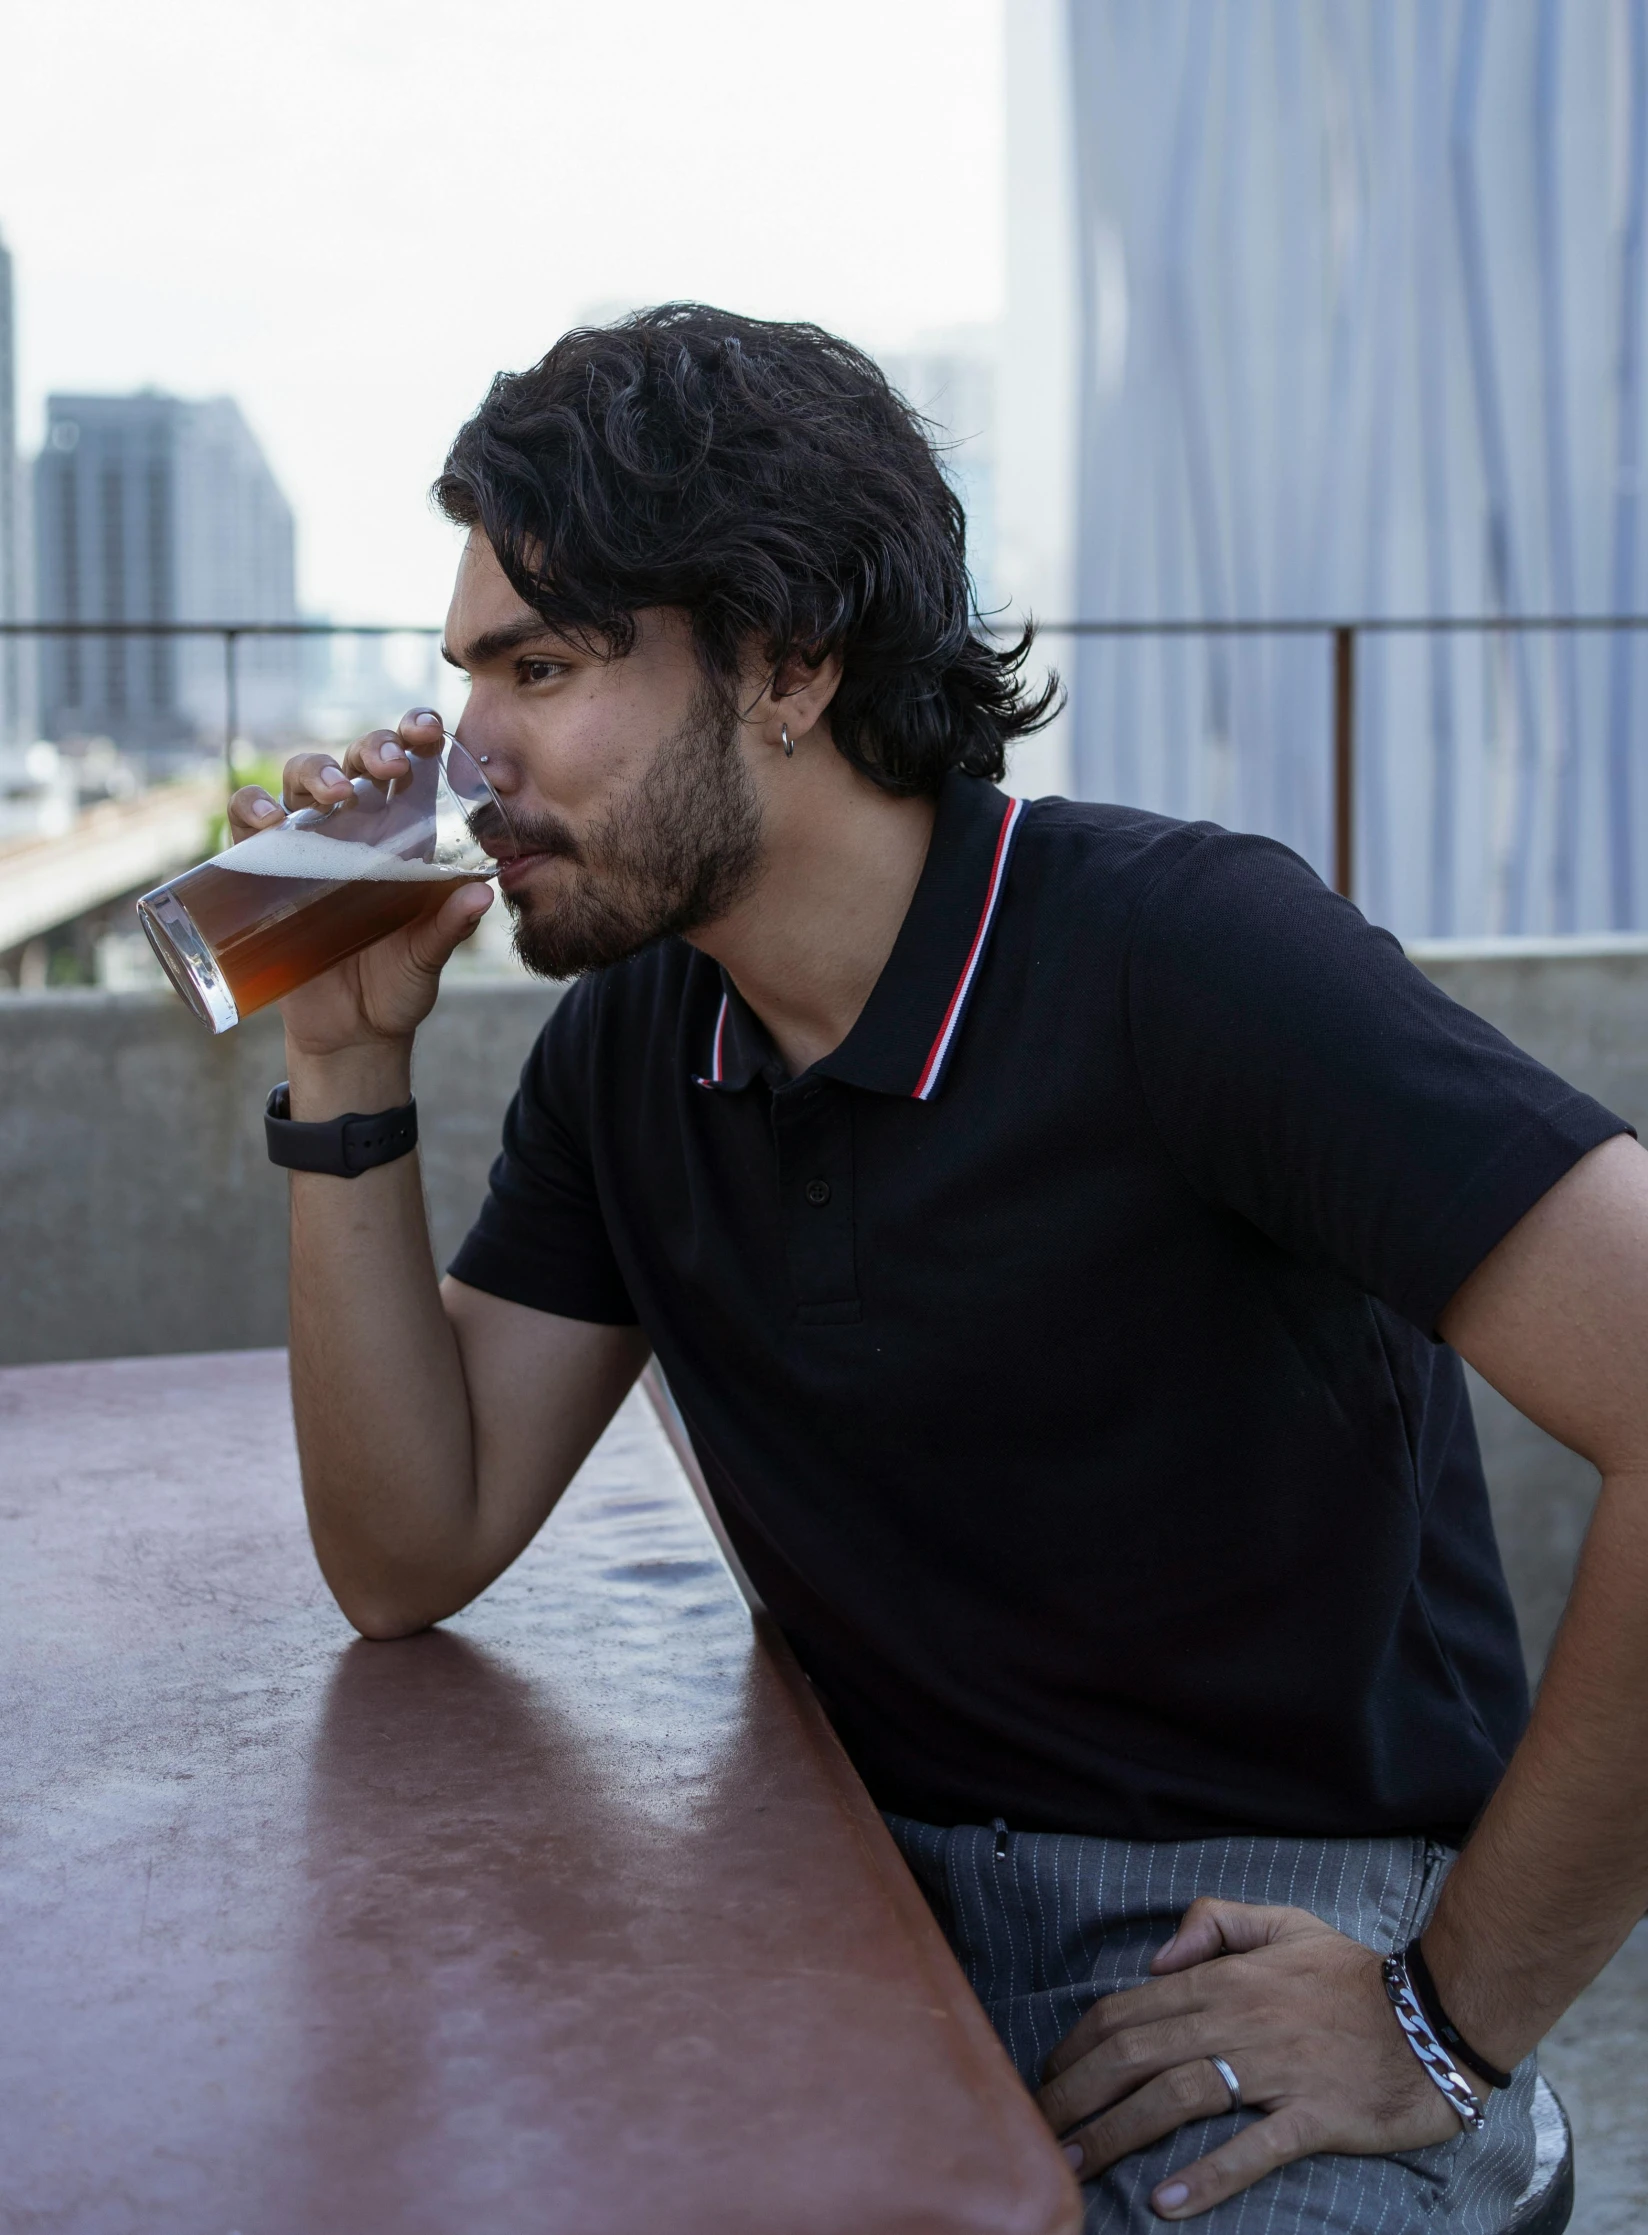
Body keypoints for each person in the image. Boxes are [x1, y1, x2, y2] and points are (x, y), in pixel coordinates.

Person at [235, 305, 1648, 2232]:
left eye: (543, 665)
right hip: (850, 1888)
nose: (466, 747)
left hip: (1257, 1906)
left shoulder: (1188, 960)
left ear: (790, 663)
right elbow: (409, 1551)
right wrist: (347, 1060)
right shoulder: (638, 1050)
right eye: (467, 672)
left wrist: (1445, 2015)